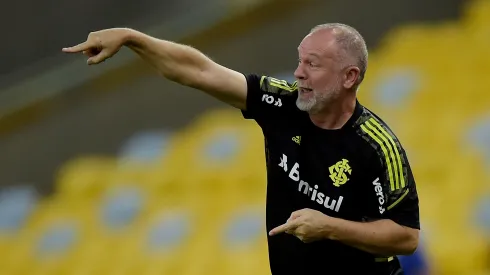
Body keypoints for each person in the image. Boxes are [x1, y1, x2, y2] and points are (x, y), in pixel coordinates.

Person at [63, 23, 420, 274]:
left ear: (349, 77)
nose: (298, 73)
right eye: (299, 60)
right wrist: (131, 37)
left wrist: (330, 227)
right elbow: (198, 71)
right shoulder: (282, 102)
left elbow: (406, 237)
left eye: (312, 64)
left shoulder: (377, 146)